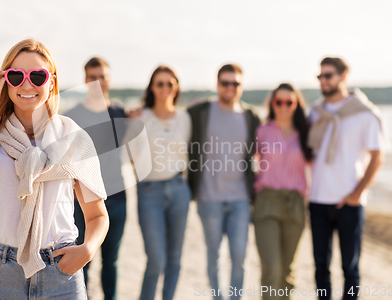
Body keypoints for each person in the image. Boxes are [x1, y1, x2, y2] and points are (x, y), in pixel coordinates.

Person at [0, 39, 109, 299]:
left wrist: (87, 250)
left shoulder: (73, 137)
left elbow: (97, 216)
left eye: (37, 76)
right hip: (1, 271)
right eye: (16, 75)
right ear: (6, 82)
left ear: (51, 82)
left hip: (61, 270)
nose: (27, 84)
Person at [308, 57, 384, 300]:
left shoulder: (364, 113)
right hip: (318, 199)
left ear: (343, 76)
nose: (323, 81)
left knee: (350, 269)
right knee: (321, 267)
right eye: (320, 76)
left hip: (348, 202)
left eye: (328, 75)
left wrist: (356, 194)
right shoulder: (315, 112)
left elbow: (376, 157)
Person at [187, 64, 260, 299]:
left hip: (240, 197)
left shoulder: (251, 116)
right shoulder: (201, 112)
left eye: (235, 83)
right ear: (217, 85)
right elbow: (169, 115)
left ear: (241, 86)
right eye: (225, 83)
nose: (230, 87)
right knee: (214, 256)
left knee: (240, 255)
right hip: (209, 198)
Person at [125, 66, 192, 300]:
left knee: (174, 260)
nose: (165, 88)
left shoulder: (185, 118)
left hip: (179, 190)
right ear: (152, 88)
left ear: (176, 88)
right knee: (156, 260)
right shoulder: (140, 118)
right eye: (159, 84)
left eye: (169, 84)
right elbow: (129, 158)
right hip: (149, 192)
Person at [64, 57, 127, 300]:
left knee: (112, 262)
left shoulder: (121, 113)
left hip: (118, 198)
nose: (98, 82)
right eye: (92, 77)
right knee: (83, 260)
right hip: (83, 201)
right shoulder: (72, 117)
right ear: (85, 81)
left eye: (102, 76)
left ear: (109, 79)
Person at [253, 83, 313, 300]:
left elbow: (319, 165)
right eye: (279, 102)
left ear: (296, 104)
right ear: (272, 104)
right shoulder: (262, 131)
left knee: (288, 272)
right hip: (267, 202)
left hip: (294, 205)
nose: (284, 106)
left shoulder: (306, 133)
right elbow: (244, 162)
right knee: (271, 268)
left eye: (290, 102)